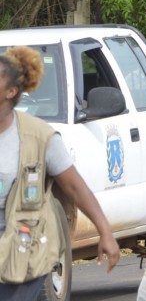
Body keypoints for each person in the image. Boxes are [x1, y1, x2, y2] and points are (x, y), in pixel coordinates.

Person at [0, 47, 120, 300]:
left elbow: (75, 187)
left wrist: (105, 232)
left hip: (23, 249)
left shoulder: (39, 137)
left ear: (11, 92)